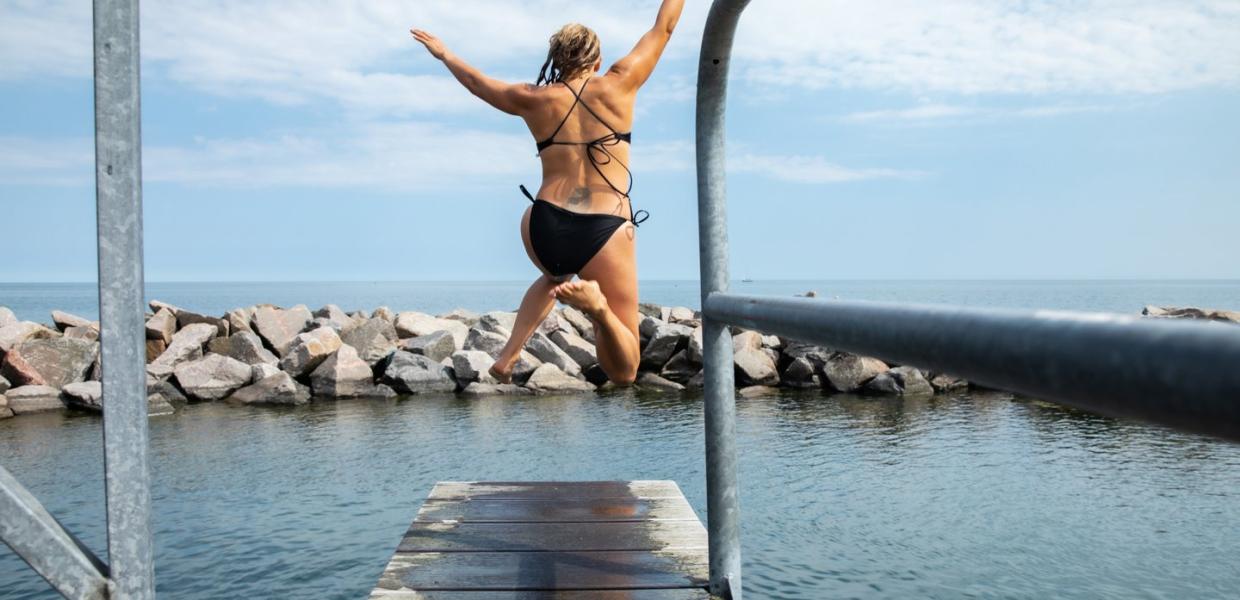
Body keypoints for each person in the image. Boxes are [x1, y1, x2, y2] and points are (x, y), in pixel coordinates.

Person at [411, 0, 684, 385]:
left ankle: (508, 356)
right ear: (598, 58)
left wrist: (445, 54)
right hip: (605, 229)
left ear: (555, 60)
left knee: (556, 276)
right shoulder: (620, 82)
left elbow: (476, 83)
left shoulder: (533, 99)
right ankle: (598, 309)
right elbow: (665, 27)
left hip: (544, 222)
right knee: (625, 371)